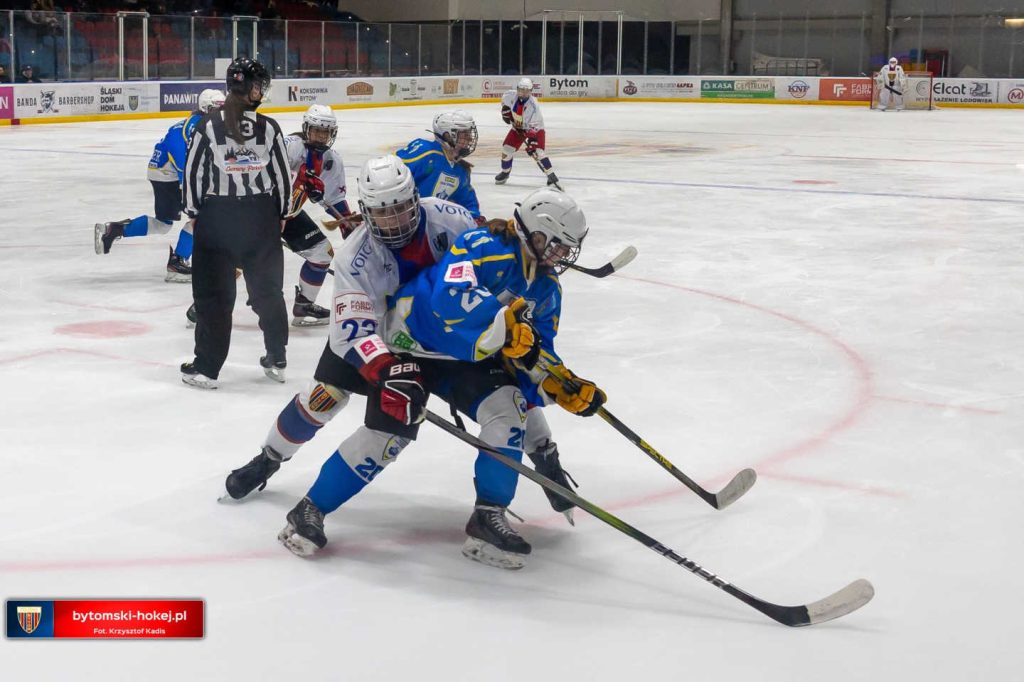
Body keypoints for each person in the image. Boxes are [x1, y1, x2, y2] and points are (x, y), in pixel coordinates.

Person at [277, 188, 605, 570]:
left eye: (568, 249)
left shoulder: (547, 289)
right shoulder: (482, 244)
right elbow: (450, 299)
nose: (562, 256)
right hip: (405, 342)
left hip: (460, 355)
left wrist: (559, 381)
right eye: (559, 246)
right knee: (391, 434)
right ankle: (309, 510)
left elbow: (537, 349)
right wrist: (503, 327)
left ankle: (487, 517)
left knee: (509, 407)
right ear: (536, 233)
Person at [222, 154, 477, 500]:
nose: (394, 220)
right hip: (374, 337)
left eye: (400, 207)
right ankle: (269, 458)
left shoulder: (451, 220)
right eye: (383, 212)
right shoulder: (354, 256)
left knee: (397, 431)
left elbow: (485, 258)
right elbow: (351, 332)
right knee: (322, 397)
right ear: (367, 212)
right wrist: (385, 370)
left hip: (428, 340)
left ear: (415, 199)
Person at [180, 57, 291, 389]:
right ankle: (277, 357)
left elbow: (193, 176)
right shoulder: (269, 127)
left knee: (214, 296)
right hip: (261, 219)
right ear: (252, 88)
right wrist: (280, 215)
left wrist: (195, 214)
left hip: (218, 218)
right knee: (268, 291)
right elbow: (283, 177)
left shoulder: (207, 126)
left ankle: (207, 368)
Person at [94, 89, 225, 283]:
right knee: (205, 216)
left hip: (167, 171)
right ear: (206, 108)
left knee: (164, 224)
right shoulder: (192, 128)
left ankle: (113, 230)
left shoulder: (207, 124)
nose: (223, 112)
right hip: (166, 173)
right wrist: (194, 196)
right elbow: (185, 164)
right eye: (218, 108)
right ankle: (177, 263)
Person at [279, 103, 360, 326]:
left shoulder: (332, 160)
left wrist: (348, 226)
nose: (320, 137)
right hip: (263, 213)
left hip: (291, 215)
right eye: (316, 131)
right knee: (241, 260)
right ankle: (205, 306)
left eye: (325, 132)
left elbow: (334, 199)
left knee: (322, 253)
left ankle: (304, 304)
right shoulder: (290, 146)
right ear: (306, 129)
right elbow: (269, 180)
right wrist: (301, 181)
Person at [395, 110, 483, 222]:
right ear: (448, 135)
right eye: (465, 135)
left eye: (469, 134)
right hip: (402, 222)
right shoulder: (426, 152)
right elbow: (391, 171)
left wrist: (474, 219)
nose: (470, 139)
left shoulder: (461, 171)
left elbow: (468, 203)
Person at [495, 77, 560, 189]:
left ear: (531, 91)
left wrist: (532, 142)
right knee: (507, 149)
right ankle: (505, 172)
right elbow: (505, 107)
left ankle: (551, 175)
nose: (524, 93)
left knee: (538, 152)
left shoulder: (533, 106)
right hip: (517, 128)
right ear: (517, 89)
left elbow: (533, 127)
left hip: (535, 129)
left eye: (527, 91)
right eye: (521, 90)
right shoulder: (509, 96)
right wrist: (506, 114)